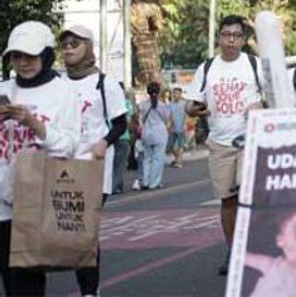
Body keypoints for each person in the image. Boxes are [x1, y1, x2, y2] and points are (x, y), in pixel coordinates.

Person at [0, 21, 80, 295]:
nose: (23, 63)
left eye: (30, 56)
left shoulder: (63, 91)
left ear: (46, 55)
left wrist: (35, 124)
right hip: (2, 198)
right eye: (16, 56)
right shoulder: (5, 89)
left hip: (36, 196)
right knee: (9, 279)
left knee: (26, 280)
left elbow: (68, 145)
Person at [186, 15, 267, 275]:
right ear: (219, 37)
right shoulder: (207, 68)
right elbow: (190, 103)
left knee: (246, 194)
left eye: (236, 35)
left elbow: (274, 97)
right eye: (225, 34)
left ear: (243, 40)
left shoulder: (254, 65)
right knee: (228, 200)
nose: (230, 40)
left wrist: (261, 105)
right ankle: (234, 250)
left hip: (249, 140)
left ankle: (251, 248)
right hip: (219, 142)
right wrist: (194, 109)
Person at [58, 24, 129, 297]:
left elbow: (121, 124)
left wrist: (103, 142)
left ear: (88, 47)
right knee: (69, 230)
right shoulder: (58, 82)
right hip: (62, 163)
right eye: (65, 45)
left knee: (84, 231)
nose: (69, 50)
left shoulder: (104, 83)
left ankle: (89, 291)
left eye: (75, 44)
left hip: (94, 164)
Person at [138, 82, 170, 189]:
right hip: (160, 133)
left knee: (147, 159)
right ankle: (154, 182)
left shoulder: (143, 105)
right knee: (158, 158)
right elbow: (166, 118)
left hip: (146, 133)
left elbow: (141, 118)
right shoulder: (161, 105)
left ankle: (145, 181)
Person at [167, 86, 187, 168]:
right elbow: (169, 116)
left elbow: (187, 115)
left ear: (180, 94)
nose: (175, 95)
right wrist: (169, 126)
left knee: (181, 145)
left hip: (181, 126)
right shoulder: (170, 104)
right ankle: (177, 159)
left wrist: (185, 124)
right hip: (173, 127)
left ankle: (179, 162)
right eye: (174, 93)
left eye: (177, 93)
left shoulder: (184, 103)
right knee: (170, 145)